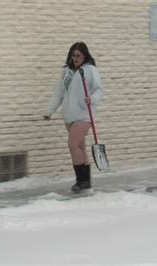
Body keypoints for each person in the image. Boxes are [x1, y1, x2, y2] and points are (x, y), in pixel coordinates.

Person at [43, 42, 104, 192]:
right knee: (80, 146)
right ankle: (86, 181)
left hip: (83, 114)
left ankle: (80, 180)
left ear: (85, 56)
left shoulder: (90, 70)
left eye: (78, 56)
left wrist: (92, 98)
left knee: (72, 145)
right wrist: (49, 111)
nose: (75, 58)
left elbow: (99, 90)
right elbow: (58, 94)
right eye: (73, 55)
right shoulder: (66, 72)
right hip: (69, 115)